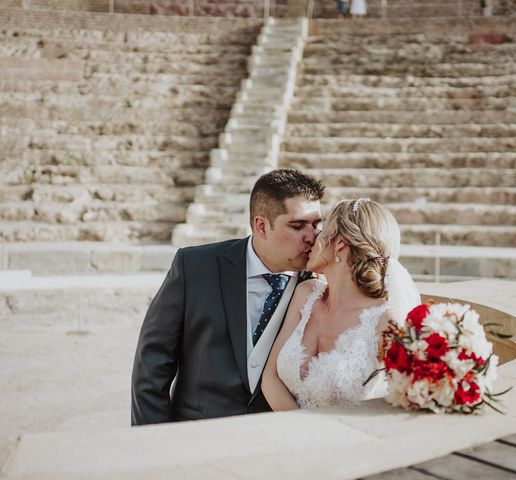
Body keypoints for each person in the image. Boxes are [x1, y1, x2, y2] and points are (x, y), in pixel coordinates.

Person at [131, 169, 325, 425]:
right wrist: (152, 440)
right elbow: (152, 363)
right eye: (298, 226)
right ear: (261, 225)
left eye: (316, 224)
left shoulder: (319, 286)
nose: (312, 237)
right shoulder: (195, 266)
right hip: (196, 434)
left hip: (276, 443)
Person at [262, 198, 420, 409]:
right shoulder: (306, 293)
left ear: (339, 243)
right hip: (288, 431)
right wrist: (299, 434)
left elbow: (407, 402)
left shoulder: (386, 321)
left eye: (322, 228)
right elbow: (270, 378)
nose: (312, 238)